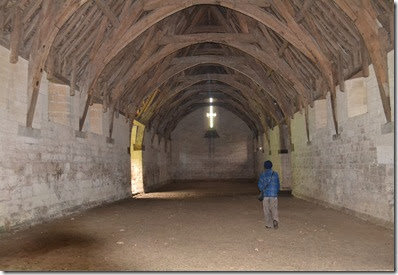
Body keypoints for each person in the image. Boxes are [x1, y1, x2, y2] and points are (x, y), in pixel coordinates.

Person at [257, 160, 280, 229]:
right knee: (274, 208)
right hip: (273, 194)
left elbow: (259, 185)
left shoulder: (262, 175)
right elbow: (278, 184)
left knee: (266, 209)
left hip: (266, 195)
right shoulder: (275, 174)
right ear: (271, 166)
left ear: (265, 167)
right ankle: (275, 220)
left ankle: (268, 224)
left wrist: (262, 189)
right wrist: (276, 191)